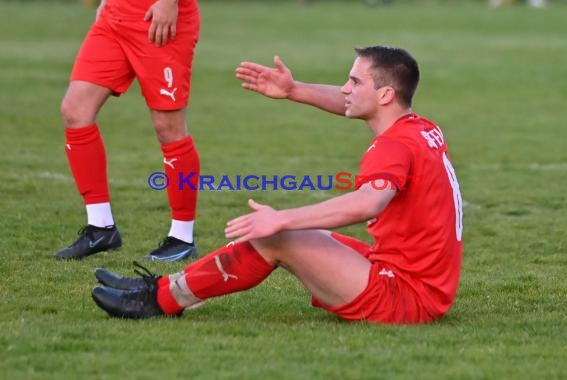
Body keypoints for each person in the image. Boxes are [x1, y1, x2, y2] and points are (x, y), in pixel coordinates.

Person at [91, 45, 464, 324]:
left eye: (354, 81)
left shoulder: (393, 146)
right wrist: (293, 89)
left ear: (385, 95)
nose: (344, 88)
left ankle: (159, 301)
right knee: (291, 234)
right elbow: (349, 102)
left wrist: (282, 218)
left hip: (405, 296)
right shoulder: (420, 127)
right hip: (412, 279)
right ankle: (158, 291)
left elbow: (368, 203)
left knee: (277, 236)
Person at [55, 0, 201, 262]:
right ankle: (101, 228)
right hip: (115, 17)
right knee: (75, 110)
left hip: (158, 15)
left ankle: (182, 238)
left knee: (168, 128)